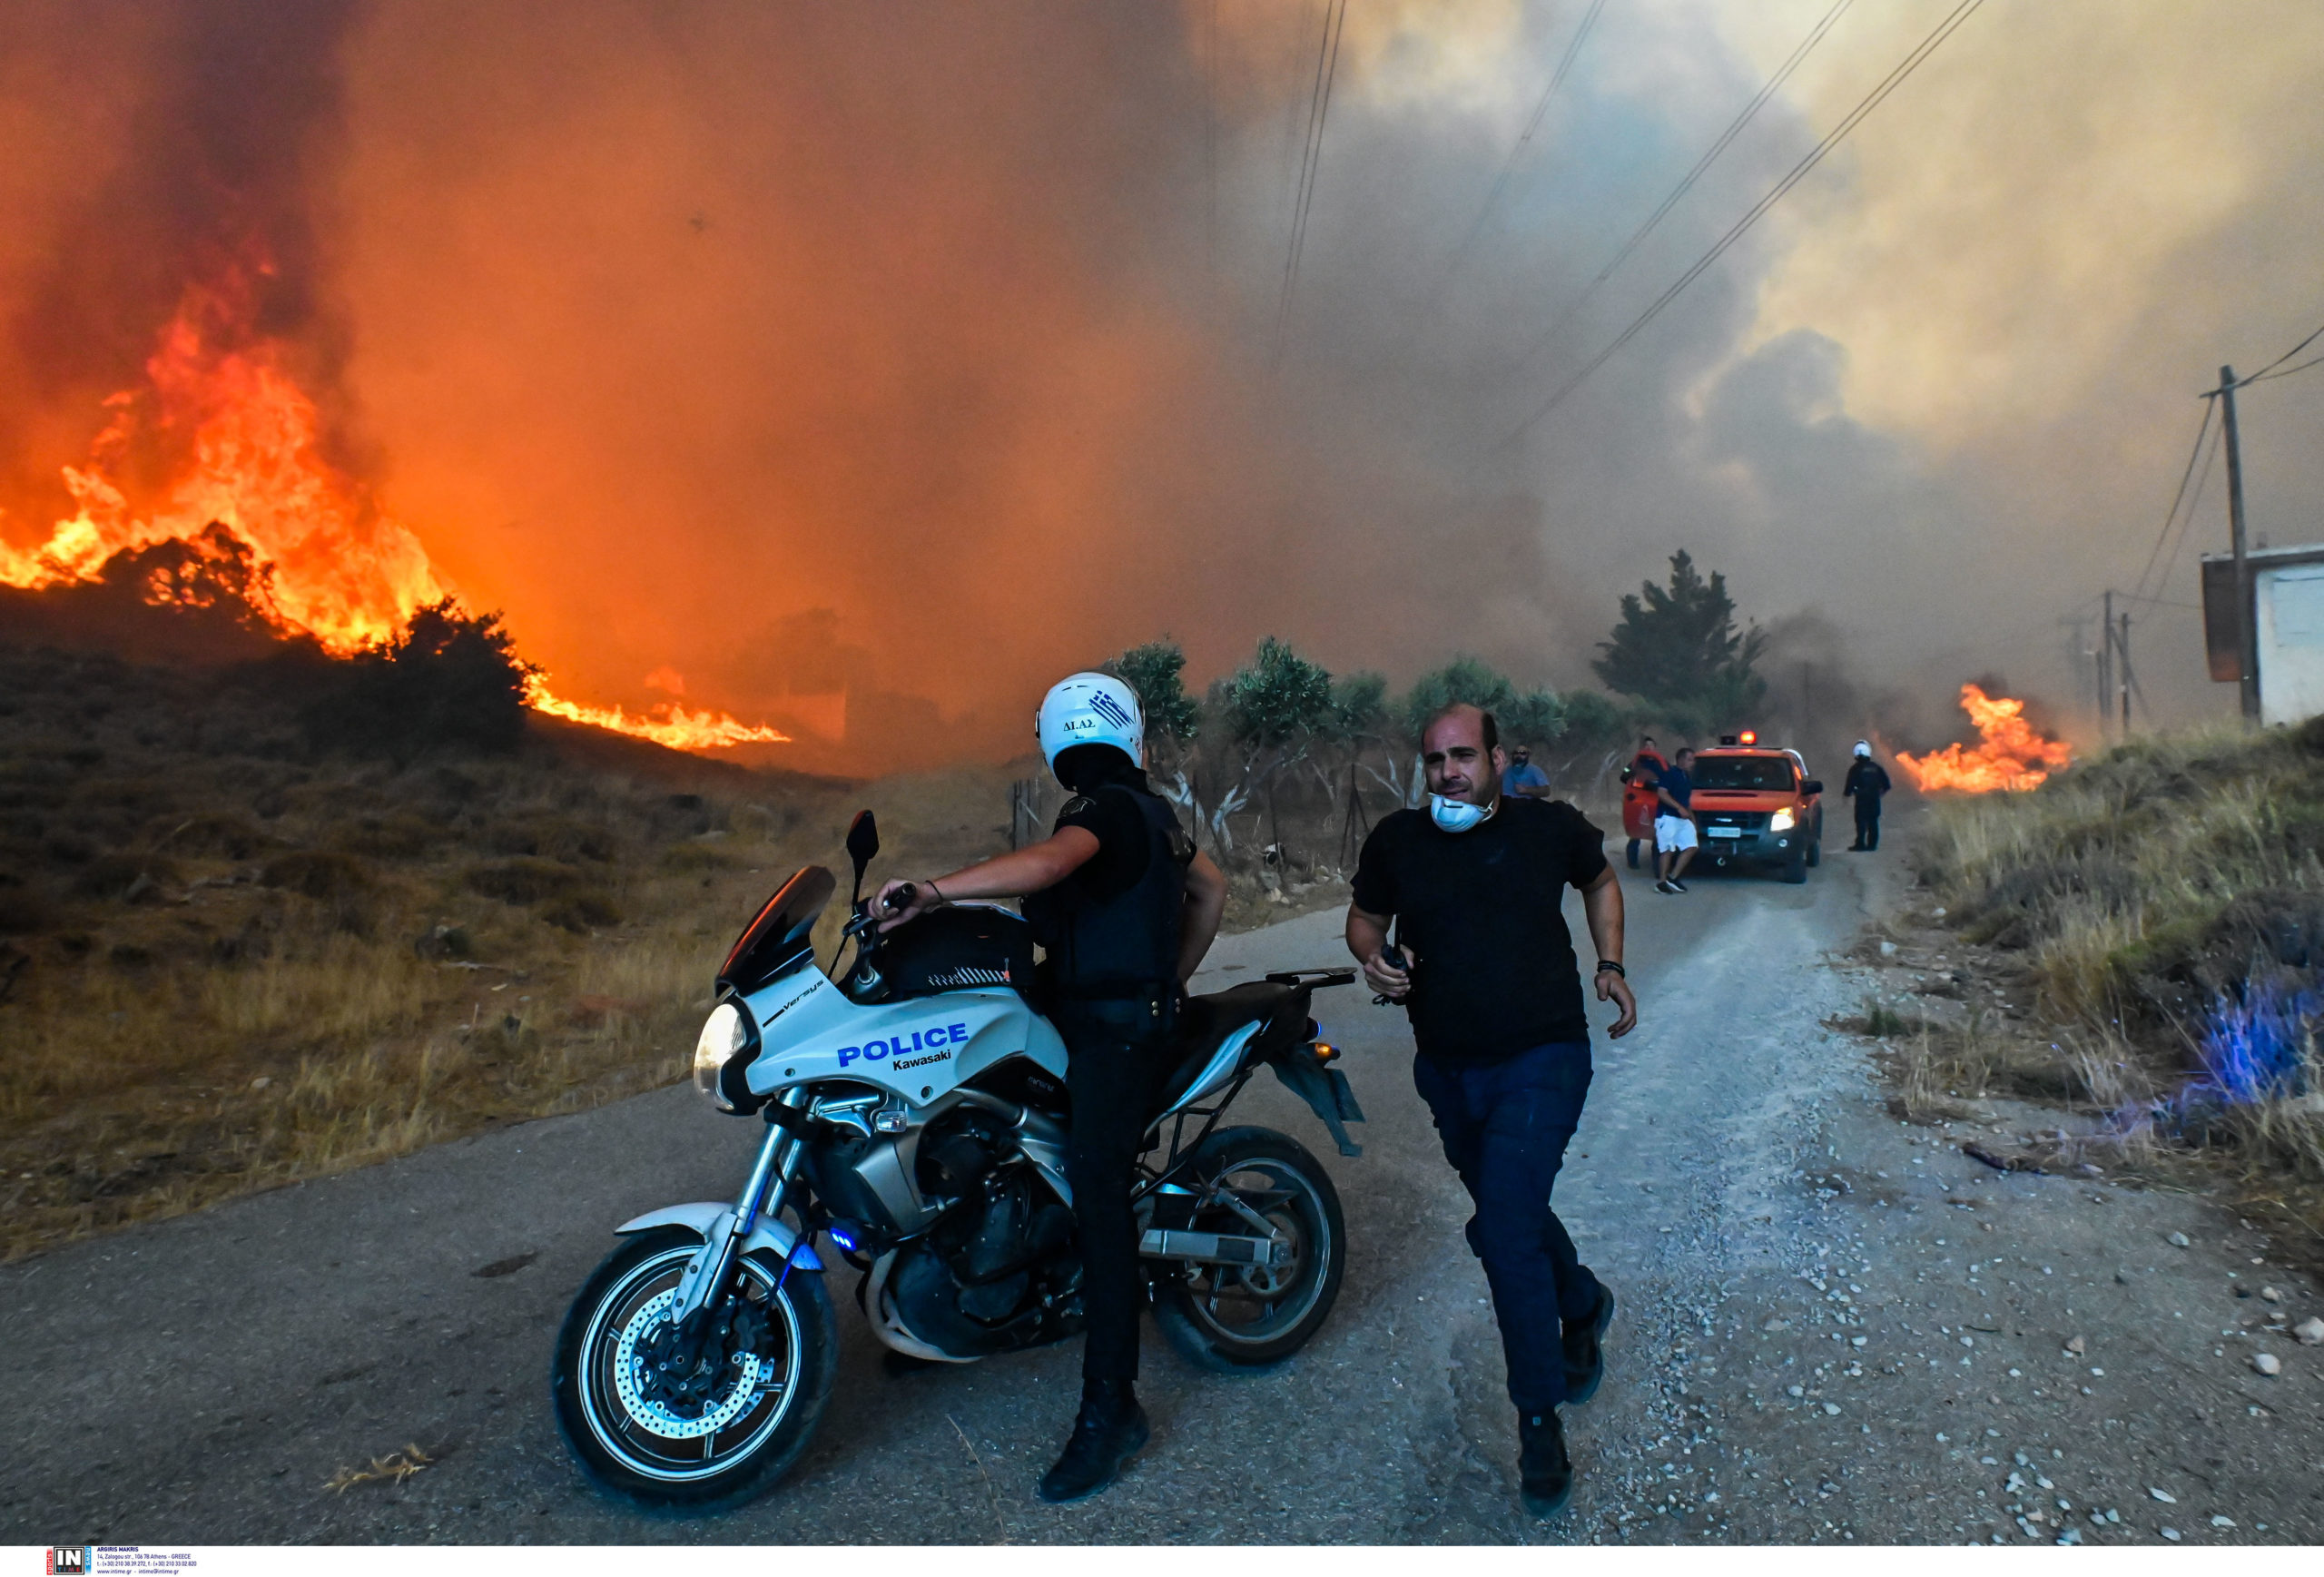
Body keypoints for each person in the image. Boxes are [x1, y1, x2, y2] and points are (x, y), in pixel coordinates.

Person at [876, 672, 1228, 1503]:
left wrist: (932, 888)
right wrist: (1169, 977)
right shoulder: (1155, 814)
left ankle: (1113, 1412)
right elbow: (1211, 892)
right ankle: (945, 1306)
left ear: (1058, 737)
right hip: (1100, 1018)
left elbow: (1048, 865)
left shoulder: (1099, 811)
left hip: (1114, 1036)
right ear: (1128, 730)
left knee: (1098, 1194)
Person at [1344, 703, 1639, 1518]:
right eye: (1436, 760)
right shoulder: (1397, 841)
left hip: (1544, 1056)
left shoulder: (1550, 828)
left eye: (1464, 756)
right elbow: (1364, 918)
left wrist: (1609, 961)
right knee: (1511, 1210)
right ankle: (1581, 1302)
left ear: (1500, 759)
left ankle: (1537, 1420)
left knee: (1504, 1230)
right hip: (1447, 1068)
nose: (1449, 773)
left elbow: (1601, 877)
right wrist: (1375, 958)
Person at [1652, 745, 1699, 894]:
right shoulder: (1669, 774)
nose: (1693, 763)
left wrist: (1693, 820)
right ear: (1680, 760)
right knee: (1667, 850)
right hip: (1667, 817)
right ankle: (1661, 882)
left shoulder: (1686, 777)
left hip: (1682, 820)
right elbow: (1661, 793)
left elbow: (1687, 802)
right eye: (1690, 760)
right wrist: (1678, 808)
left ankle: (1673, 877)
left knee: (1692, 846)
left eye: (1693, 760)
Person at [1844, 739, 1892, 852]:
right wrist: (1879, 794)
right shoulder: (1876, 768)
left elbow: (1849, 787)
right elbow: (1887, 784)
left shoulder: (1854, 769)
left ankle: (1860, 844)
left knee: (1860, 821)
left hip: (1861, 800)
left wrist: (1848, 795)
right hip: (1874, 799)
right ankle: (1872, 845)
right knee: (1873, 821)